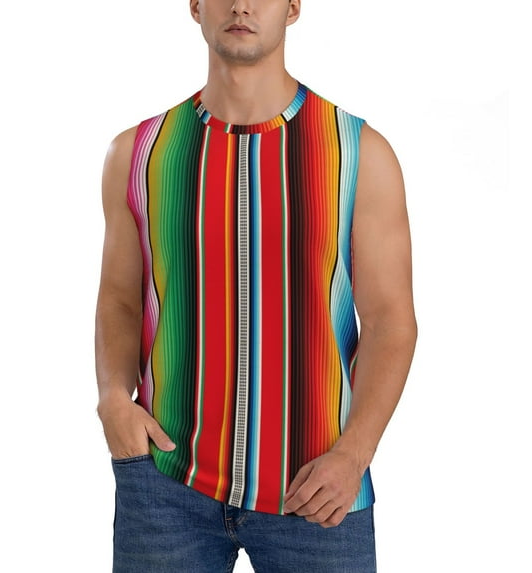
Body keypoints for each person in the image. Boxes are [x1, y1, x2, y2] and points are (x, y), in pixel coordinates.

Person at [95, 1, 417, 571]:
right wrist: (114, 399)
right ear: (195, 5)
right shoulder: (139, 152)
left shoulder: (357, 153)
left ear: (292, 8)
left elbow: (391, 322)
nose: (242, 5)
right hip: (167, 482)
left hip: (319, 489)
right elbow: (120, 297)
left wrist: (353, 455)